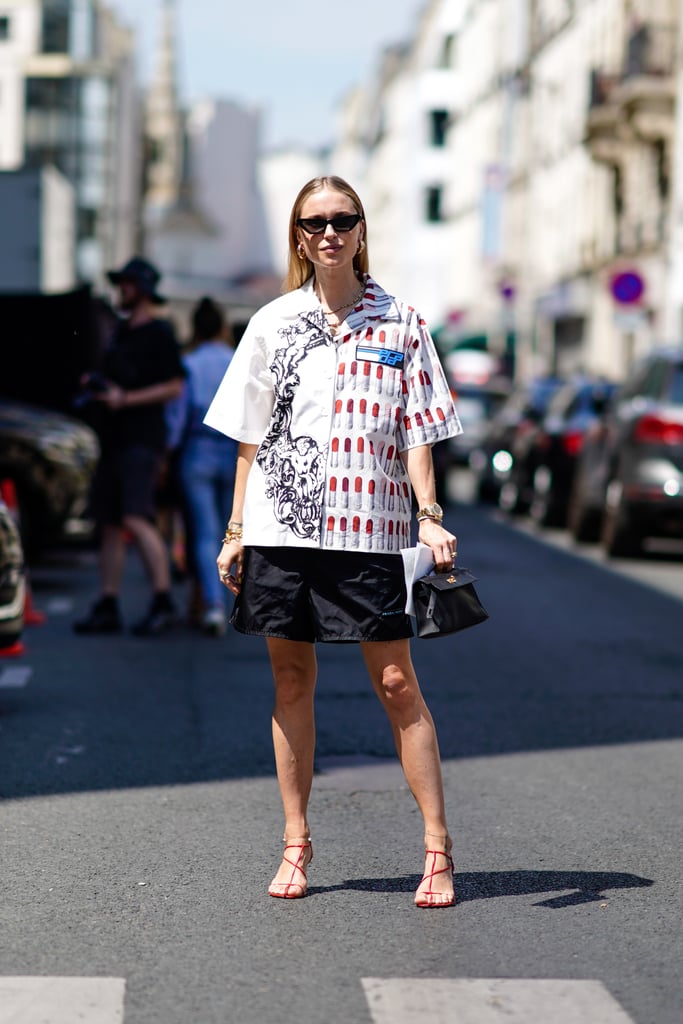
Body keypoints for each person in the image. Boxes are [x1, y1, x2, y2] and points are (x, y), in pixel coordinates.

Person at [205, 176, 462, 907]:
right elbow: (250, 441)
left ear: (359, 231)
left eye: (342, 220)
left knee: (394, 683)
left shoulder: (402, 323)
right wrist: (235, 531)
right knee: (290, 680)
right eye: (314, 222)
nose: (328, 232)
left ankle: (437, 849)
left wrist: (429, 512)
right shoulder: (272, 323)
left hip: (370, 532)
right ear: (297, 235)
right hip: (281, 530)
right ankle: (296, 841)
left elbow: (418, 433)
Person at [73, 258, 185, 637]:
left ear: (141, 288)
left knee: (137, 517)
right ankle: (108, 603)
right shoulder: (120, 332)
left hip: (142, 438)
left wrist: (126, 398)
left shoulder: (159, 332)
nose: (120, 289)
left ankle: (163, 599)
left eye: (126, 284)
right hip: (114, 437)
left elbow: (174, 386)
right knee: (109, 522)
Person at [174, 297, 238, 635]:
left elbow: (177, 416)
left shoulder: (189, 363)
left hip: (197, 446)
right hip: (233, 448)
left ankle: (212, 604)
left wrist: (169, 449)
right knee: (235, 530)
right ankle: (240, 600)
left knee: (203, 532)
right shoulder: (236, 360)